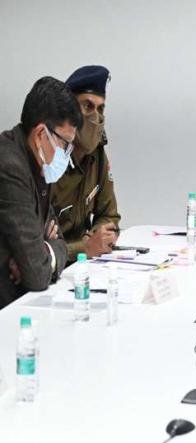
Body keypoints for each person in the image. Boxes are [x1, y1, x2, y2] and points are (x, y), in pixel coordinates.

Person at [0, 76, 82, 310]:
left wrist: (46, 251)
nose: (67, 154)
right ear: (40, 134)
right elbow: (36, 273)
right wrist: (38, 257)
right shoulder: (10, 166)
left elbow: (60, 242)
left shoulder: (39, 163)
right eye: (65, 144)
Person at [51, 65, 120, 262]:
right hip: (49, 267)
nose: (95, 117)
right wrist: (84, 247)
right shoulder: (50, 158)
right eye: (87, 106)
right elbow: (33, 249)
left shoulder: (97, 155)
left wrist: (99, 237)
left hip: (83, 265)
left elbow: (109, 215)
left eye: (100, 108)